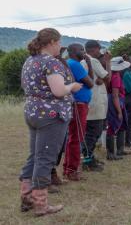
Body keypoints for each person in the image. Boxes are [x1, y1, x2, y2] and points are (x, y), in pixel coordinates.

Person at [19, 28, 82, 216]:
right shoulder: (51, 63)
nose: (61, 46)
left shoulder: (30, 61)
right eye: (60, 42)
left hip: (33, 112)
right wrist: (72, 86)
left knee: (35, 155)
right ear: (52, 42)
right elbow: (59, 91)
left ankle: (26, 196)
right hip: (51, 116)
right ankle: (40, 204)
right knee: (45, 158)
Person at [63, 44, 96, 179]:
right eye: (81, 49)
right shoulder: (75, 64)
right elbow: (91, 83)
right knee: (76, 137)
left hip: (78, 104)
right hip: (78, 105)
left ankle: (68, 168)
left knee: (73, 137)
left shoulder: (71, 63)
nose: (84, 52)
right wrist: (87, 63)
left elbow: (90, 80)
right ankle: (72, 170)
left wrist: (88, 62)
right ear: (73, 51)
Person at [81, 40, 111, 169]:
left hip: (91, 101)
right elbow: (108, 77)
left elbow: (102, 78)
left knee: (91, 133)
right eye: (99, 50)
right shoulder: (92, 61)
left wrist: (101, 79)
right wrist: (108, 61)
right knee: (94, 133)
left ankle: (90, 157)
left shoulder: (83, 61)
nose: (100, 53)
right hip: (96, 101)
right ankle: (88, 161)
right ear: (94, 49)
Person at [106, 57, 131, 160]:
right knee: (112, 126)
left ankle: (120, 150)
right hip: (115, 102)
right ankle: (111, 153)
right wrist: (119, 111)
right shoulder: (115, 77)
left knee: (122, 125)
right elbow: (115, 95)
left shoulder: (114, 75)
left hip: (118, 101)